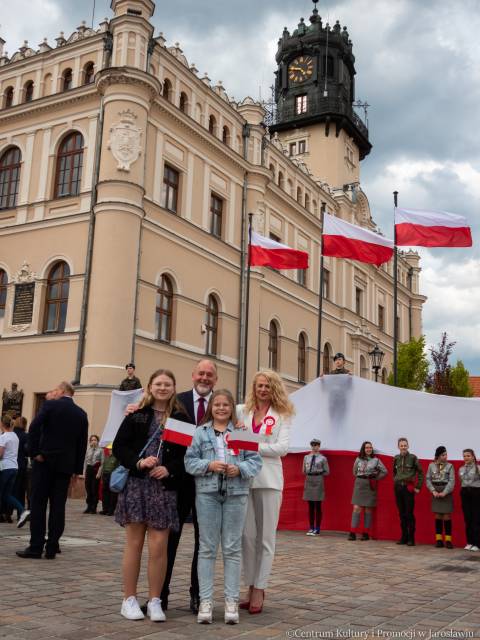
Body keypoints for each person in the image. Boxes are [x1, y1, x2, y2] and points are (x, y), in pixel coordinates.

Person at [112, 369, 189, 622]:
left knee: (159, 547)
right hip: (137, 485)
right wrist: (139, 462)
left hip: (163, 489)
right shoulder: (137, 414)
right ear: (149, 386)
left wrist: (169, 469)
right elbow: (119, 447)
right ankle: (129, 599)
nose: (163, 388)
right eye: (158, 383)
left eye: (168, 384)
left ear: (174, 387)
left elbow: (185, 456)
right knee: (134, 545)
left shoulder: (180, 417)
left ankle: (155, 600)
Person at [185, 389, 262, 625]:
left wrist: (239, 469)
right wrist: (209, 465)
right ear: (212, 408)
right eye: (217, 404)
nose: (220, 408)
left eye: (225, 405)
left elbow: (255, 462)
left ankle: (231, 601)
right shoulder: (200, 432)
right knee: (207, 548)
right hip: (207, 493)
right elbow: (189, 461)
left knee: (231, 548)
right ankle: (206, 601)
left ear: (232, 408)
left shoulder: (242, 431)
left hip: (236, 493)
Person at [162, 358, 217, 614]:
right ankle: (160, 594)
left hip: (208, 483)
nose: (204, 378)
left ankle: (197, 594)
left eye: (209, 375)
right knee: (169, 539)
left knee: (203, 543)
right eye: (201, 373)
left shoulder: (222, 404)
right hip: (179, 481)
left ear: (215, 379)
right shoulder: (178, 400)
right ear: (193, 375)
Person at [238, 369, 294, 614]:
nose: (262, 390)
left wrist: (250, 445)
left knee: (265, 539)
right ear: (254, 387)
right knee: (247, 537)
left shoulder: (282, 415)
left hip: (270, 480)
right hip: (244, 479)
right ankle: (250, 584)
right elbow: (224, 425)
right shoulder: (242, 411)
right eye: (259, 385)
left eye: (267, 386)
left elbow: (282, 448)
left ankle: (260, 587)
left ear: (274, 389)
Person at [16, 381, 88, 559]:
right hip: (65, 467)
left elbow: (33, 428)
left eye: (56, 390)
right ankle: (52, 547)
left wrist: (34, 452)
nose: (53, 392)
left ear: (62, 391)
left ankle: (35, 547)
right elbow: (82, 444)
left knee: (38, 504)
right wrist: (76, 471)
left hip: (44, 462)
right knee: (58, 507)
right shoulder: (81, 414)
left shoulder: (50, 405)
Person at [348, 441, 387, 541]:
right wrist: (361, 477)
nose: (369, 449)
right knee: (356, 508)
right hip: (359, 484)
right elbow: (354, 471)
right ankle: (352, 533)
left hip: (370, 485)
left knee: (368, 509)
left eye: (370, 447)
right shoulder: (358, 459)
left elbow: (384, 471)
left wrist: (375, 478)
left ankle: (365, 533)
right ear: (363, 449)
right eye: (366, 448)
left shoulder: (376, 460)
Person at [392, 437, 424, 546]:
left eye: (405, 445)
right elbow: (394, 472)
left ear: (408, 446)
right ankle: (404, 537)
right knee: (401, 514)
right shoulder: (396, 458)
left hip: (408, 488)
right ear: (398, 447)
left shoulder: (413, 458)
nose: (403, 447)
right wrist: (396, 481)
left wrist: (418, 487)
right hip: (398, 488)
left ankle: (411, 538)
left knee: (409, 513)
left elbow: (420, 473)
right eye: (401, 445)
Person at [425, 446, 455, 549]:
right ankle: (438, 540)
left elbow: (452, 481)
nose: (445, 456)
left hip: (446, 491)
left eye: (446, 454)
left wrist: (445, 492)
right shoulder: (431, 466)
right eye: (443, 455)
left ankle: (448, 540)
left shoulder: (450, 466)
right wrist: (433, 491)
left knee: (447, 516)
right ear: (438, 456)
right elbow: (428, 479)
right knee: (437, 515)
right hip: (435, 491)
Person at [0, 415, 26, 523]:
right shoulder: (15, 436)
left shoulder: (3, 436)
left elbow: (0, 454)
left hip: (5, 468)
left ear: (2, 424)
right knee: (7, 495)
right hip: (14, 467)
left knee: (2, 493)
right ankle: (23, 511)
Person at [302, 439, 329, 536]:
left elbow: (327, 472)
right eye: (313, 445)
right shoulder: (306, 457)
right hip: (309, 479)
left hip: (318, 479)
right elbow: (304, 470)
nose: (315, 447)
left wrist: (318, 472)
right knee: (310, 506)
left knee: (317, 505)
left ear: (319, 446)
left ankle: (317, 528)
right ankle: (311, 527)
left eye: (316, 445)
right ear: (311, 446)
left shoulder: (322, 458)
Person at [458, 449, 480, 552]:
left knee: (476, 518)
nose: (466, 458)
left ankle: (477, 543)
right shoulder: (461, 469)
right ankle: (470, 542)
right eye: (464, 456)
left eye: (468, 456)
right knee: (468, 518)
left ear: (473, 457)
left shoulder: (478, 468)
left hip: (475, 493)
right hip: (465, 493)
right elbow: (461, 481)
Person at [83, 435, 104, 514]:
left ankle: (94, 507)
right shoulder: (88, 450)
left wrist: (99, 473)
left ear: (97, 441)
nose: (93, 441)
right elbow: (85, 462)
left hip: (95, 470)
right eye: (92, 440)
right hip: (89, 470)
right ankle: (88, 506)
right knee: (88, 488)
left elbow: (102, 463)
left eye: (95, 440)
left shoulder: (100, 450)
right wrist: (84, 473)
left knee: (94, 489)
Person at [100, 446, 119, 516]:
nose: (110, 451)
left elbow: (118, 468)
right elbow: (103, 467)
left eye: (111, 449)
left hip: (113, 475)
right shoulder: (106, 457)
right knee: (105, 492)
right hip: (105, 475)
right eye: (109, 449)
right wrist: (102, 477)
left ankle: (111, 510)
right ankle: (105, 509)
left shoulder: (117, 458)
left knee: (113, 494)